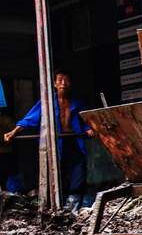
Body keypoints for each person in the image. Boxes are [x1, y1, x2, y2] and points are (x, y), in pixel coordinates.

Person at [3, 69, 96, 210]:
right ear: (54, 84)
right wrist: (13, 132)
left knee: (79, 172)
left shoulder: (77, 102)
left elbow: (85, 121)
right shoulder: (47, 102)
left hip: (74, 141)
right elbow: (30, 119)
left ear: (70, 83)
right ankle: (60, 206)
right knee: (58, 173)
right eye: (59, 80)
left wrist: (88, 129)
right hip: (56, 143)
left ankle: (74, 206)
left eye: (66, 80)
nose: (63, 83)